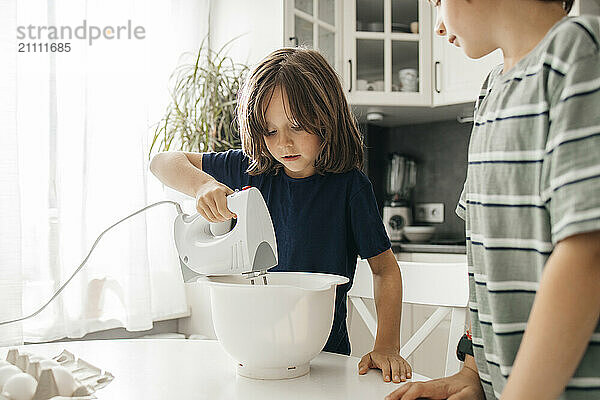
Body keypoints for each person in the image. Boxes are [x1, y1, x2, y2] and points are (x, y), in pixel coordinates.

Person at [150, 47, 413, 383]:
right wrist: (202, 186)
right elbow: (162, 161)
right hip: (250, 351)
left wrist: (387, 346)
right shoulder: (249, 169)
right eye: (270, 131)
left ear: (327, 118)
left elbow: (385, 271)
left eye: (298, 126)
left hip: (324, 358)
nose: (284, 143)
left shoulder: (349, 187)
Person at [387, 0, 600, 399]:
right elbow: (480, 260)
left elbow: (587, 255)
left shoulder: (579, 51)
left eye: (436, 2)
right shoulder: (490, 92)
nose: (436, 26)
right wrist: (472, 373)